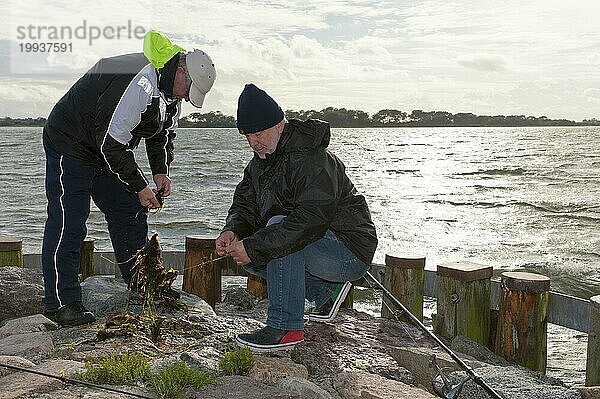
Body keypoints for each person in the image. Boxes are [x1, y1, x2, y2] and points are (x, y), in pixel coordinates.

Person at [42, 31, 216, 327]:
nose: (185, 97)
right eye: (188, 90)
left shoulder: (171, 91)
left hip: (103, 147)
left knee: (129, 209)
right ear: (181, 70)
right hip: (70, 143)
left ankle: (139, 282)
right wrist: (140, 186)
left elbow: (161, 134)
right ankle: (61, 303)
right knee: (70, 221)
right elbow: (111, 145)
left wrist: (161, 173)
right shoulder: (141, 81)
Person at [215, 84, 378, 352]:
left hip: (348, 251)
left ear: (280, 125)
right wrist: (232, 231)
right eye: (247, 135)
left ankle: (285, 327)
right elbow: (244, 206)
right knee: (248, 249)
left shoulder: (313, 159)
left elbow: (309, 222)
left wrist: (255, 245)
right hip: (317, 248)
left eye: (258, 133)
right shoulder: (259, 163)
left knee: (276, 232)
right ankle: (326, 293)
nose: (253, 142)